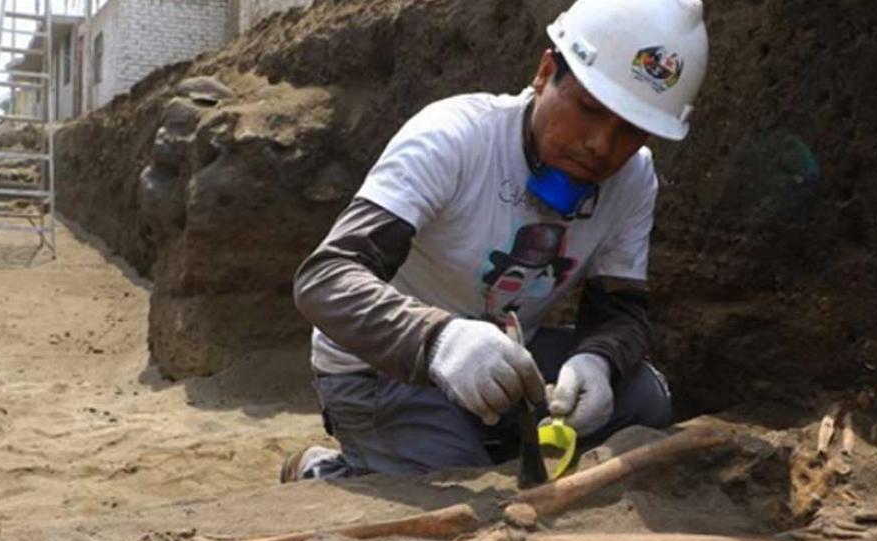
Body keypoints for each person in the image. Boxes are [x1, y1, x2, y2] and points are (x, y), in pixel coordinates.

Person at [284, 0, 709, 481]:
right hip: (380, 369)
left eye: (631, 130)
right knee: (454, 487)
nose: (601, 146)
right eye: (589, 110)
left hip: (507, 352)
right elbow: (325, 279)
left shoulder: (633, 180)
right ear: (546, 71)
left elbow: (622, 311)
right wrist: (439, 339)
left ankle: (466, 443)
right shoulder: (454, 138)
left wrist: (599, 361)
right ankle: (326, 471)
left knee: (645, 401)